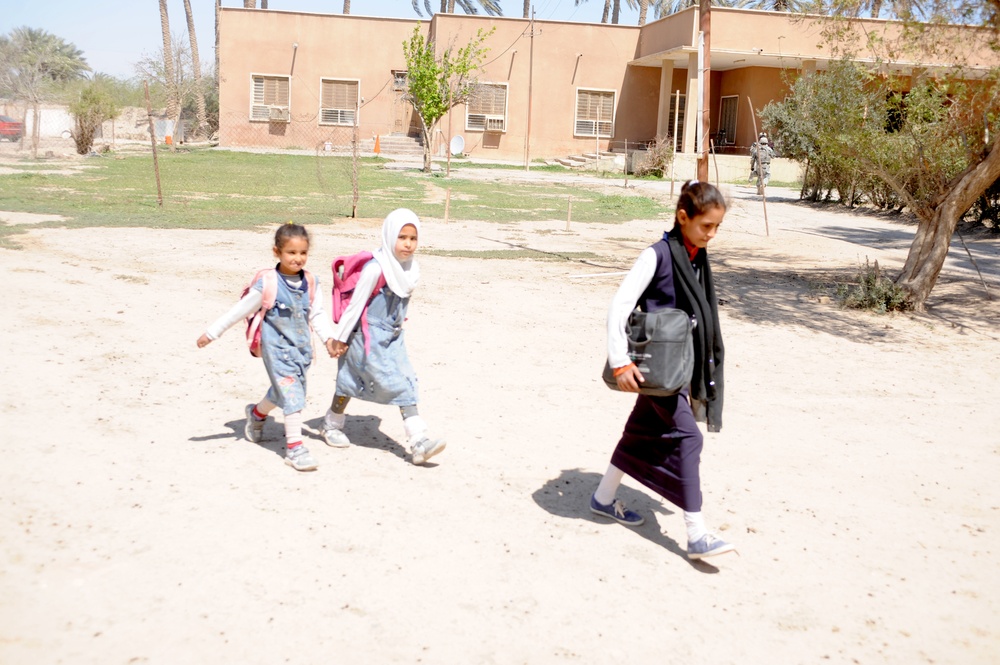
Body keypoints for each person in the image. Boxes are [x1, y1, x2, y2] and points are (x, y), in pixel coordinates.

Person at [591, 180, 734, 561]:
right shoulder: (656, 255)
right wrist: (620, 361)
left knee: (639, 432)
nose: (712, 234)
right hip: (655, 370)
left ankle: (603, 497)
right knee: (689, 438)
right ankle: (696, 533)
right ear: (683, 217)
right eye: (707, 226)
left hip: (676, 369)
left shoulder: (695, 257)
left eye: (717, 227)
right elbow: (619, 305)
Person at [197, 223, 337, 472]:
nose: (298, 258)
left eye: (303, 253)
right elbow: (239, 311)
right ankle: (295, 448)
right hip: (276, 351)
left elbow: (317, 314)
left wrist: (328, 339)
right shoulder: (268, 284)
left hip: (301, 351)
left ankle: (257, 414)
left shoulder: (312, 282)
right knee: (293, 396)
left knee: (283, 392)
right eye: (291, 253)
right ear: (277, 252)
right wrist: (212, 333)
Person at [321, 208, 445, 466]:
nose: (408, 244)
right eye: (402, 237)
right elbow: (355, 306)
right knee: (351, 382)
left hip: (392, 338)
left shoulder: (411, 269)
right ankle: (332, 424)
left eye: (413, 238)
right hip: (364, 339)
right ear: (390, 236)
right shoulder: (375, 269)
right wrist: (338, 339)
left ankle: (418, 440)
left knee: (405, 380)